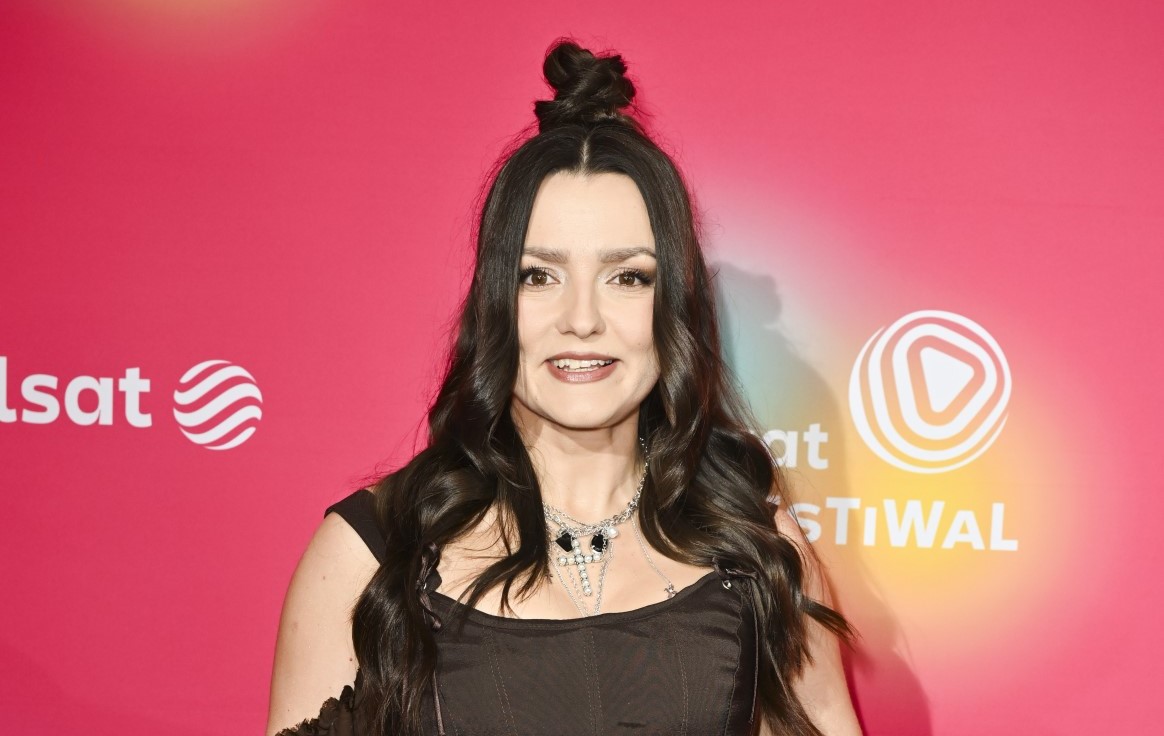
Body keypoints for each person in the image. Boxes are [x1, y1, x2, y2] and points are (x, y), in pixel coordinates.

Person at [266, 38, 862, 736]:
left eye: (627, 277)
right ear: (495, 302)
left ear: (673, 305)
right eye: (539, 276)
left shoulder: (757, 547)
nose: (582, 319)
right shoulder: (371, 553)